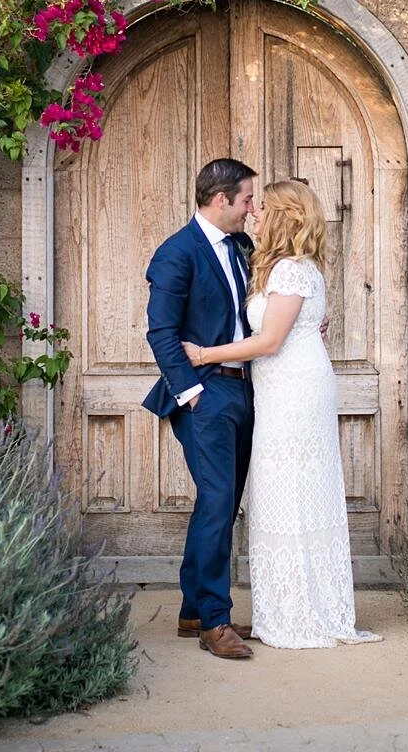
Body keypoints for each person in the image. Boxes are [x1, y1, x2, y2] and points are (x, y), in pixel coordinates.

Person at [183, 179, 382, 649]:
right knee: (279, 492)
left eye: (263, 206)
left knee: (294, 492)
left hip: (294, 390)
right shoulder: (274, 266)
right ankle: (285, 605)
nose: (254, 213)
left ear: (285, 216)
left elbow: (270, 341)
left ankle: (302, 610)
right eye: (252, 204)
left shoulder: (292, 269)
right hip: (275, 389)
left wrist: (203, 356)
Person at [143, 158, 259, 660]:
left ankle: (191, 609)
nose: (253, 208)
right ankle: (215, 620)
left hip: (245, 389)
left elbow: (248, 317)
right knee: (217, 500)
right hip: (203, 394)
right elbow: (161, 333)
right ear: (221, 200)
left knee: (221, 503)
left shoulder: (243, 247)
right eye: (248, 199)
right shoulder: (176, 253)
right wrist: (192, 394)